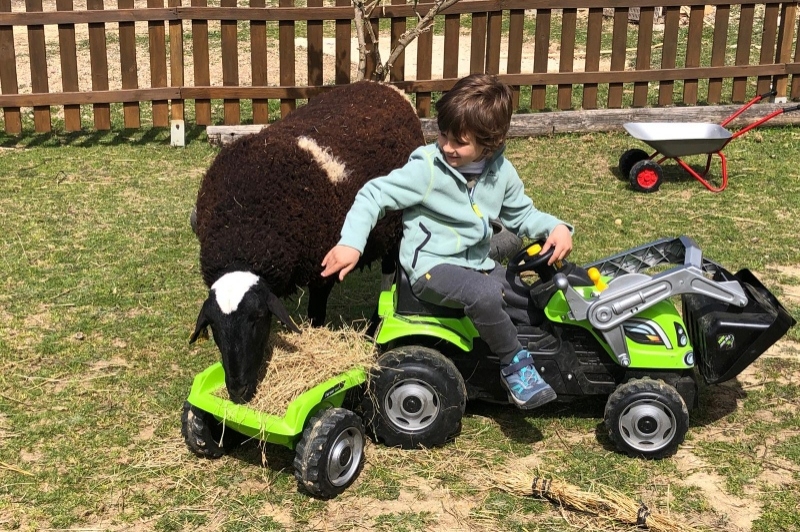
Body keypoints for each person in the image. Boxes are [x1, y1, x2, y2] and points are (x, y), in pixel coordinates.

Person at [321, 73, 573, 409]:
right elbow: (373, 194)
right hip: (430, 268)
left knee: (529, 300)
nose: (447, 146)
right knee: (483, 294)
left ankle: (558, 355)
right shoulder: (427, 169)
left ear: (490, 142)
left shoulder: (501, 174)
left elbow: (523, 216)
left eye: (459, 142)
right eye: (443, 135)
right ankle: (515, 366)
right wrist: (351, 242)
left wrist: (555, 227)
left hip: (477, 265)